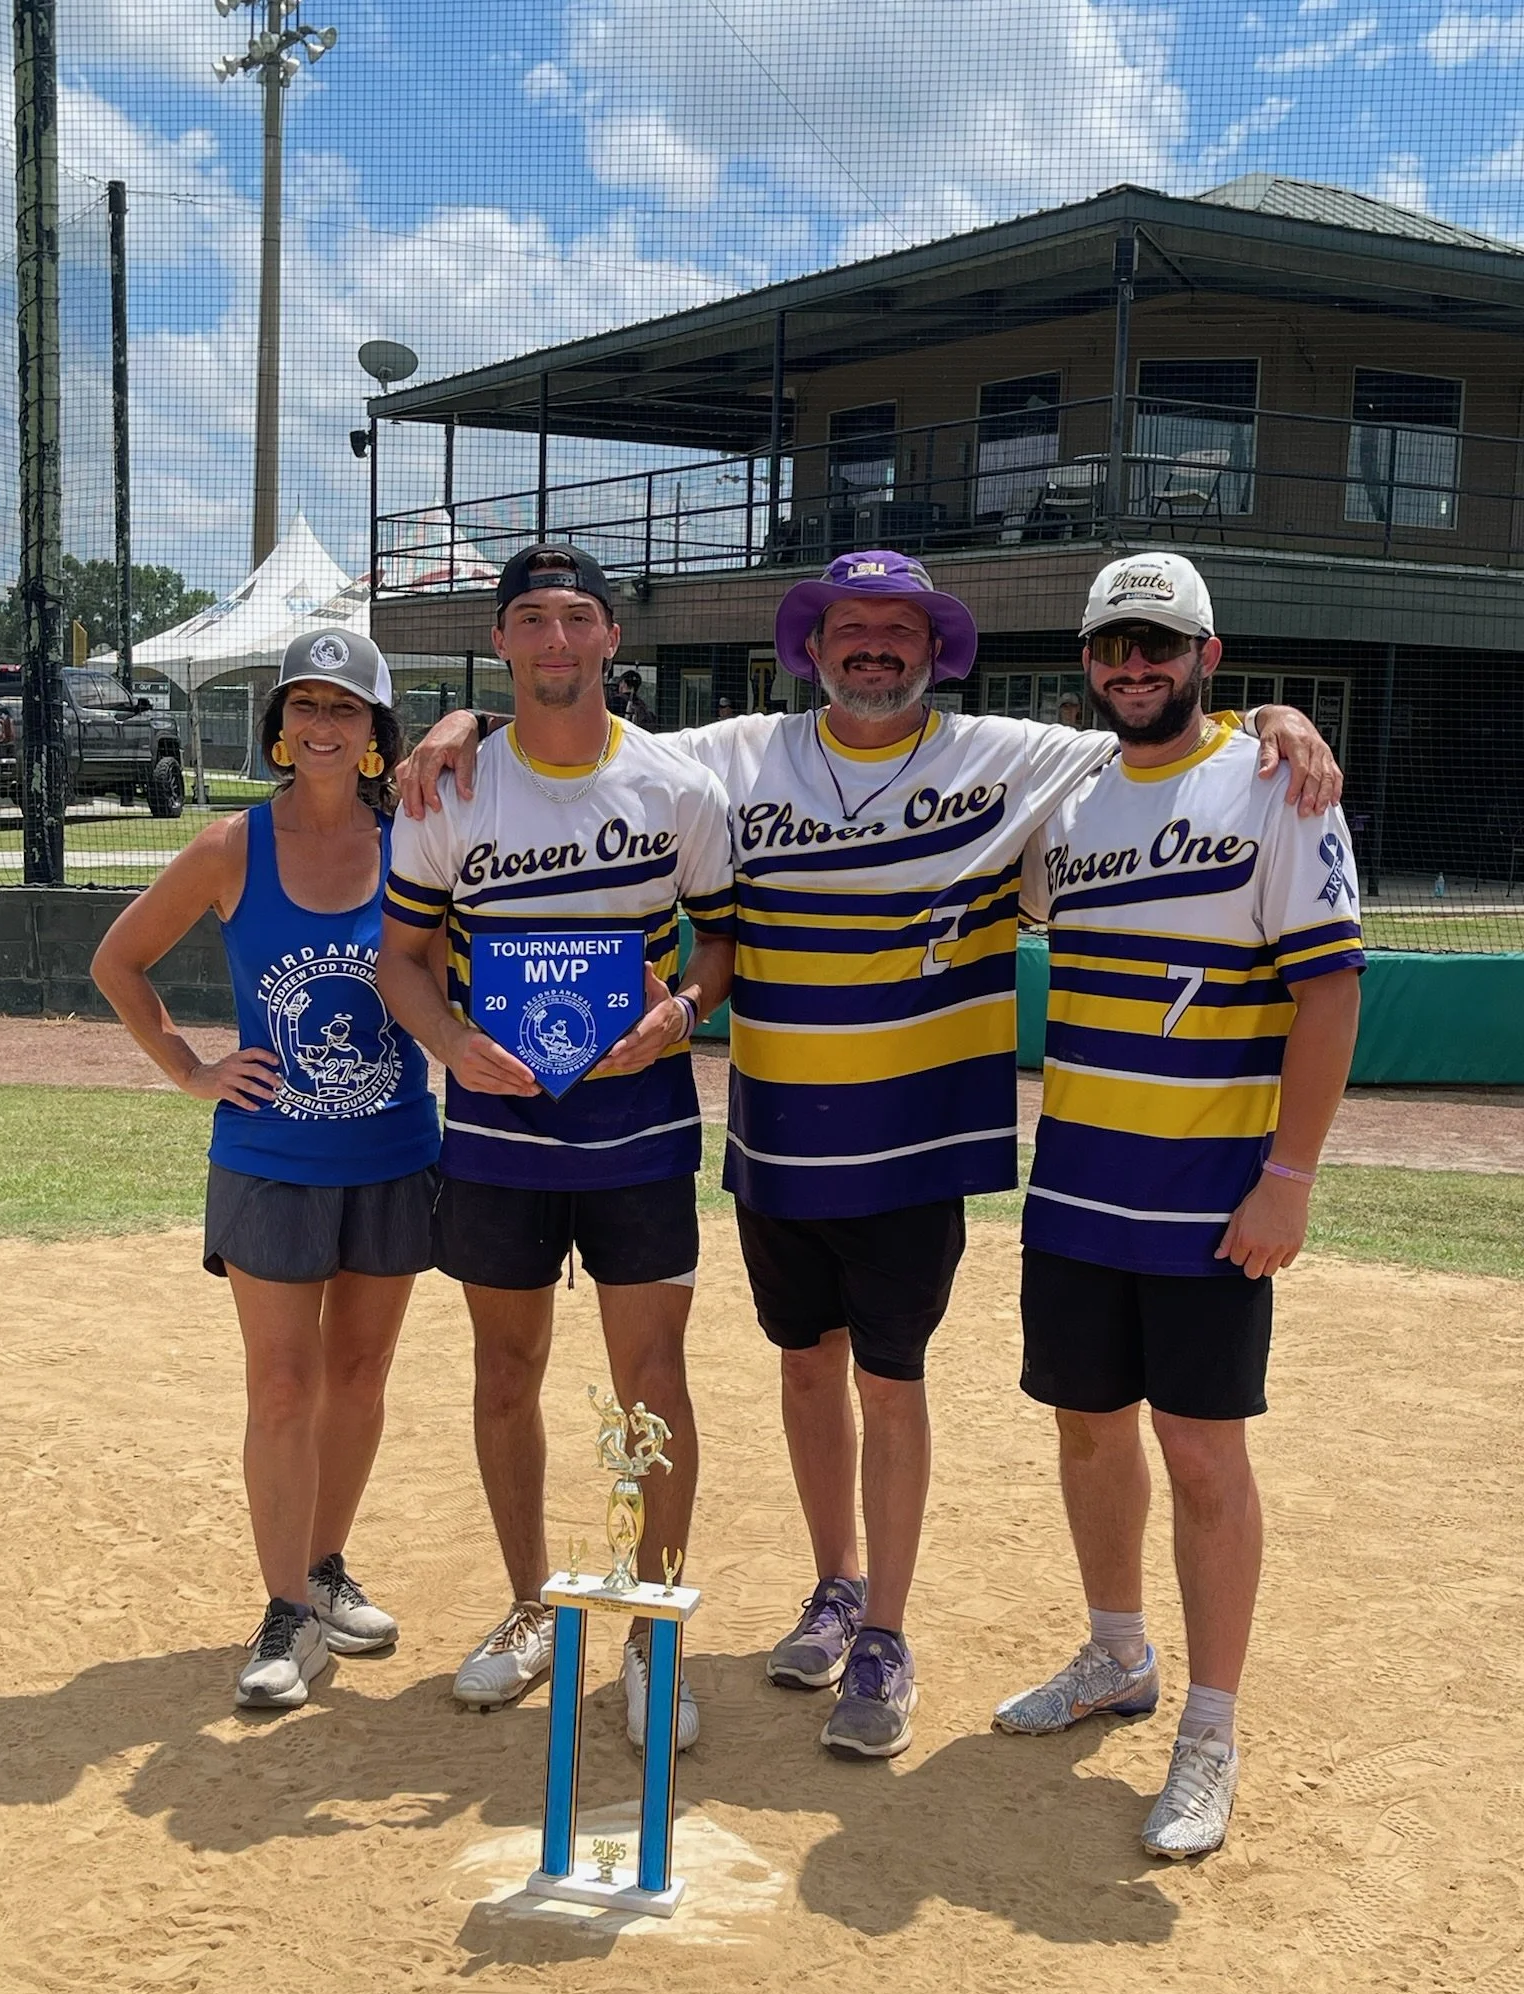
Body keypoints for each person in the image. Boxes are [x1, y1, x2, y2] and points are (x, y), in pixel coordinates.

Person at [401, 549, 1339, 1761]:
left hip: (918, 1145)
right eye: (851, 627)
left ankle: (886, 1631)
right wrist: (465, 718)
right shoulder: (734, 756)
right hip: (780, 1141)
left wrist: (1279, 713)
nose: (875, 648)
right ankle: (833, 1584)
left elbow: (1169, 736)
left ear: (937, 647)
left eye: (901, 628)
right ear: (813, 644)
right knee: (804, 1373)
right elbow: (583, 726)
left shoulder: (1016, 759)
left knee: (891, 1382)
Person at [991, 554, 1364, 1858]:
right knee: (1089, 1431)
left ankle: (1208, 1732)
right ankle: (1115, 1657)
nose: (1132, 668)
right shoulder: (1071, 799)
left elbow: (1327, 994)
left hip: (1214, 1199)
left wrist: (1291, 1175)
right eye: (1111, 648)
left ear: (1208, 652)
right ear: (1087, 662)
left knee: (1203, 1455)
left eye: (1158, 645)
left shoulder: (1276, 783)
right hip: (1078, 1190)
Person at [377, 543, 734, 1750]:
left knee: (653, 1388)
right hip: (494, 1130)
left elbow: (724, 943)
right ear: (503, 640)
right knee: (504, 1373)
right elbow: (404, 961)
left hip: (638, 1127)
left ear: (612, 637)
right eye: (532, 620)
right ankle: (532, 1605)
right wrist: (446, 1043)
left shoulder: (676, 786)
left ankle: (650, 1629)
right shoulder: (450, 790)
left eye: (577, 617)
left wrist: (683, 1012)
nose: (557, 641)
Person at [92, 630, 442, 1709]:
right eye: (304, 707)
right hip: (270, 1156)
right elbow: (120, 960)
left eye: (345, 709)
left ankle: (326, 1569)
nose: (322, 726)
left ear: (377, 734)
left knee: (360, 1377)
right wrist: (191, 1069)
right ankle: (286, 1606)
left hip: (391, 1150)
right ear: (280, 728)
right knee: (284, 1382)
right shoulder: (231, 845)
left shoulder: (416, 843)